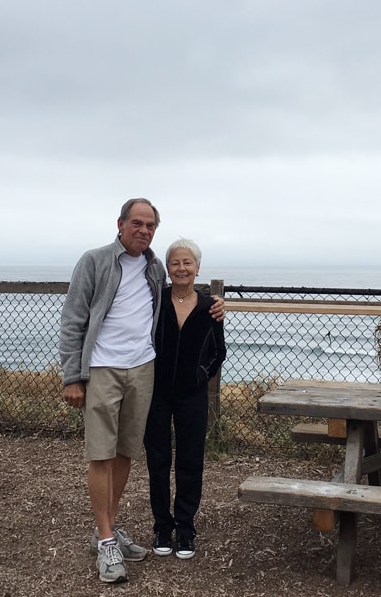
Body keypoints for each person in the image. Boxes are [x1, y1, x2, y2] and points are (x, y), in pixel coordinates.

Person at [59, 198, 224, 584]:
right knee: (101, 453)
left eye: (150, 225)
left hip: (142, 370)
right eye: (137, 223)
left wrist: (216, 304)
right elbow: (73, 319)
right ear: (120, 224)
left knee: (124, 452)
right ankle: (106, 542)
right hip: (102, 368)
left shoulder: (153, 268)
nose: (143, 230)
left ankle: (108, 528)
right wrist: (72, 376)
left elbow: (184, 301)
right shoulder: (94, 261)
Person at [143, 239, 226, 561]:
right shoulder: (155, 301)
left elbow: (218, 351)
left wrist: (201, 375)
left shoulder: (209, 308)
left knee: (190, 461)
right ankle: (162, 526)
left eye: (187, 262)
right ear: (167, 268)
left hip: (192, 396)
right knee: (158, 459)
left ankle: (186, 527)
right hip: (156, 393)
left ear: (197, 268)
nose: (181, 268)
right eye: (175, 263)